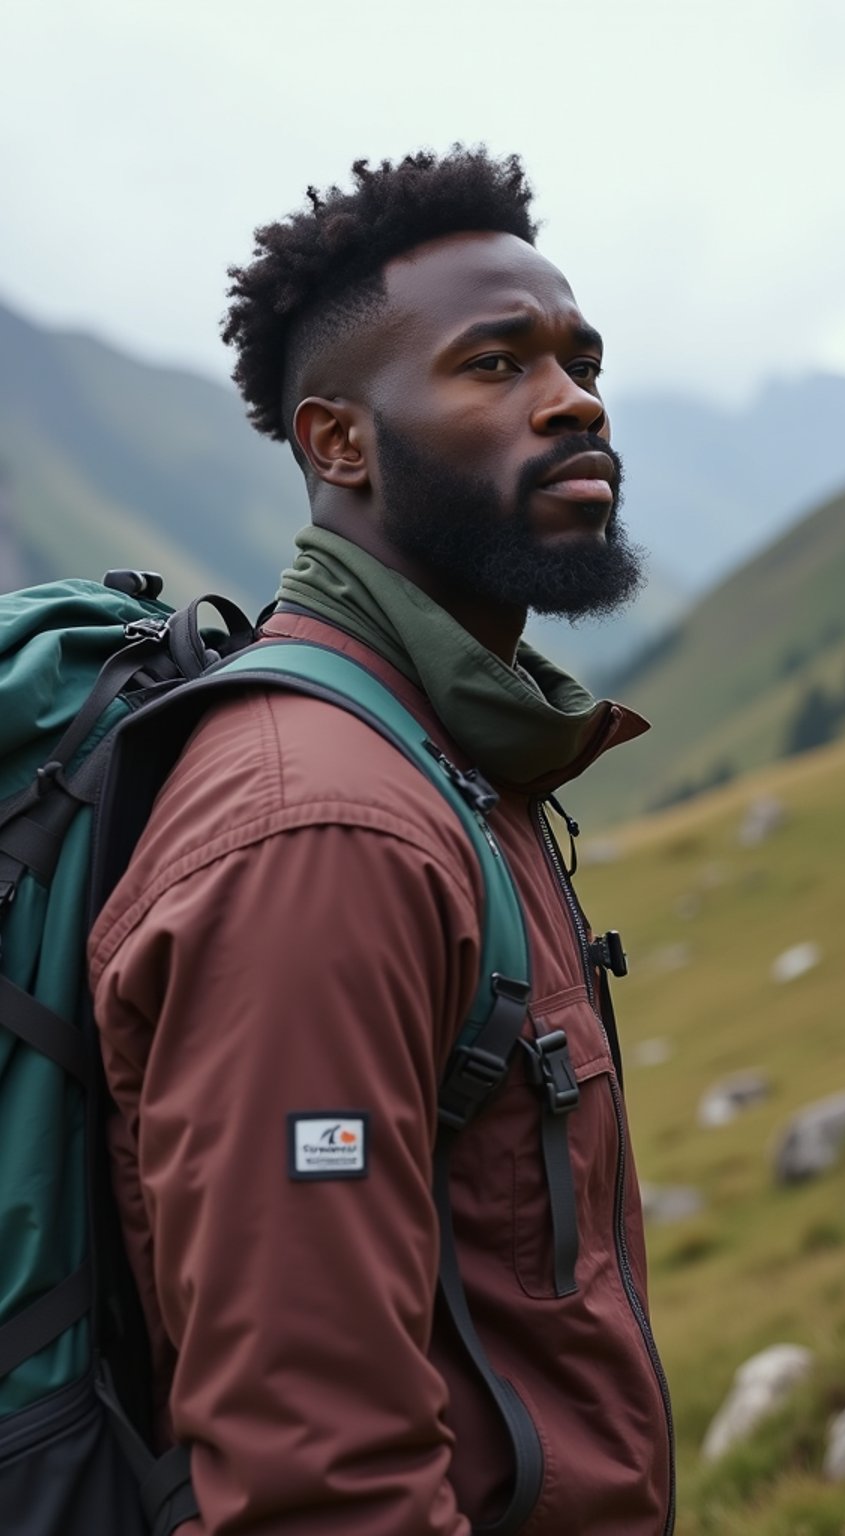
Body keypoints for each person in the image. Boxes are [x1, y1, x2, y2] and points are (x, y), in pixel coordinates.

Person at [89, 146, 674, 1536]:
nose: (576, 399)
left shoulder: (456, 760)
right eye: (498, 366)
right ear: (338, 443)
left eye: (581, 358)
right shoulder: (324, 827)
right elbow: (318, 1476)